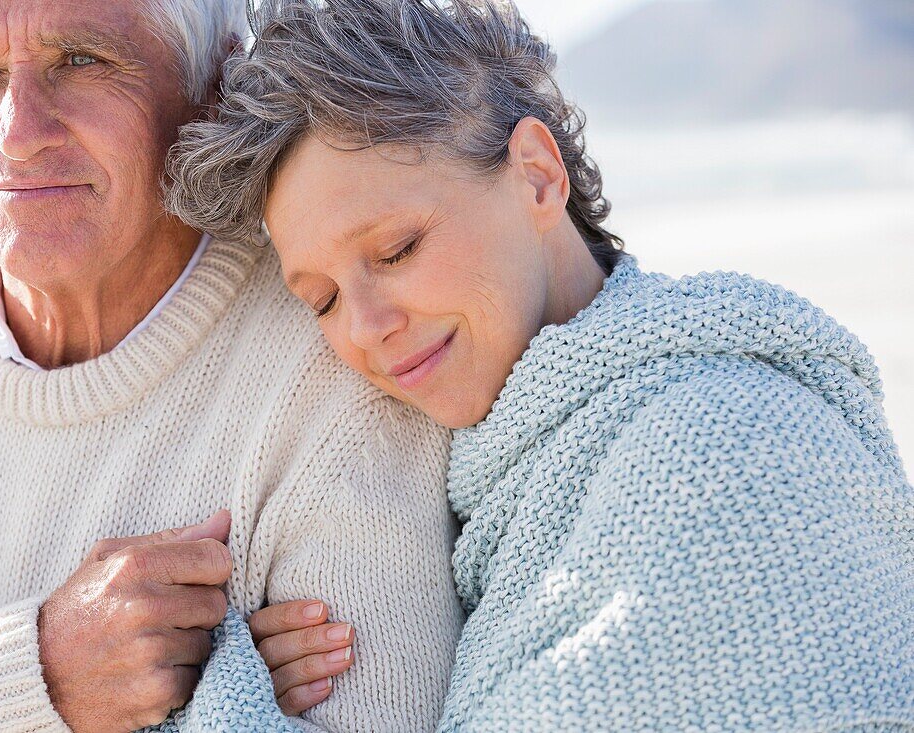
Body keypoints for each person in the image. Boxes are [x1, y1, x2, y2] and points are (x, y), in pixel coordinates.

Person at [168, 0, 914, 729]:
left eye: (397, 250)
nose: (367, 328)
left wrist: (205, 690)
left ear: (536, 176)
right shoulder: (475, 481)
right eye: (323, 299)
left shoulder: (725, 446)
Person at [0, 0, 465, 730]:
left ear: (217, 87)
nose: (16, 133)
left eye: (82, 61)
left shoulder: (343, 372)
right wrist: (41, 677)